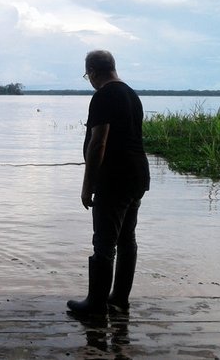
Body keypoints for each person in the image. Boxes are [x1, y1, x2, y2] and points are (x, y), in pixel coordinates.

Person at [67, 50, 150, 318]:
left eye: (87, 74)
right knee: (127, 238)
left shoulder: (103, 95)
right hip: (137, 176)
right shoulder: (131, 95)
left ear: (92, 71)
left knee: (104, 243)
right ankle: (119, 298)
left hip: (114, 179)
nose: (89, 79)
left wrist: (87, 184)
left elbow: (98, 142)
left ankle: (95, 305)